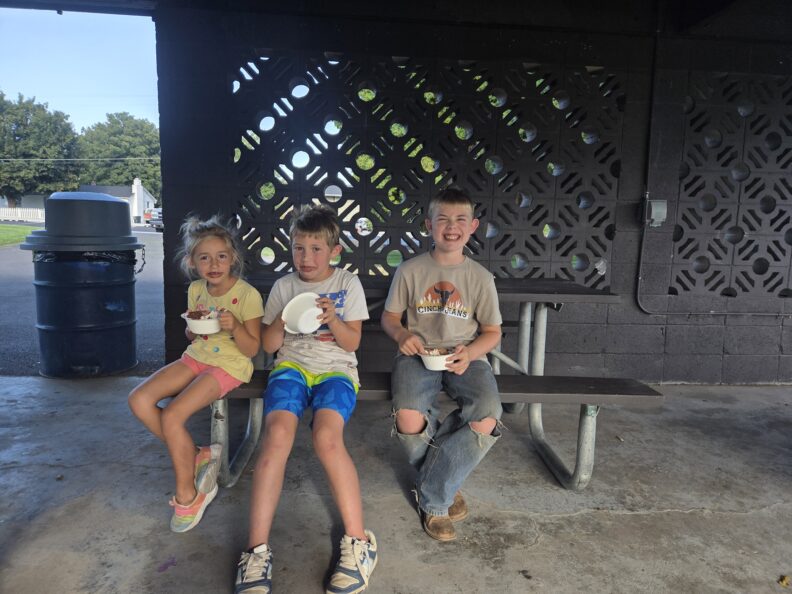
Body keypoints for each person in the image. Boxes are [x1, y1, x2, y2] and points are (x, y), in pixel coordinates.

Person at [234, 204, 377, 594]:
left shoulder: (348, 284)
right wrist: (281, 318)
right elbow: (268, 344)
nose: (306, 257)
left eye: (316, 249)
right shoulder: (284, 287)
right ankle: (256, 550)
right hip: (291, 369)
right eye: (299, 248)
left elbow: (352, 343)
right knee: (276, 436)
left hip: (336, 371)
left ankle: (359, 542)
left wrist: (333, 319)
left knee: (326, 438)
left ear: (334, 250)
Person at [381, 187, 503, 542]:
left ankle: (434, 497)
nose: (452, 227)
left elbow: (493, 332)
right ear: (428, 225)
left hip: (465, 355)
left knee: (487, 415)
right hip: (417, 354)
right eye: (443, 219)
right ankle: (447, 482)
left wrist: (472, 351)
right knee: (407, 415)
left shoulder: (480, 278)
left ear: (473, 226)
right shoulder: (410, 270)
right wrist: (402, 335)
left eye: (460, 220)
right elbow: (390, 317)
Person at [128, 215, 263, 532]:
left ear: (232, 259)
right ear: (192, 262)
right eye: (204, 257)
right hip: (196, 357)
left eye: (221, 256)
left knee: (173, 415)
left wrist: (236, 326)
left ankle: (189, 494)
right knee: (138, 400)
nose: (213, 264)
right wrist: (195, 328)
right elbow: (194, 336)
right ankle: (195, 452)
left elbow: (251, 349)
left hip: (230, 365)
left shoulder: (247, 296)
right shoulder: (196, 290)